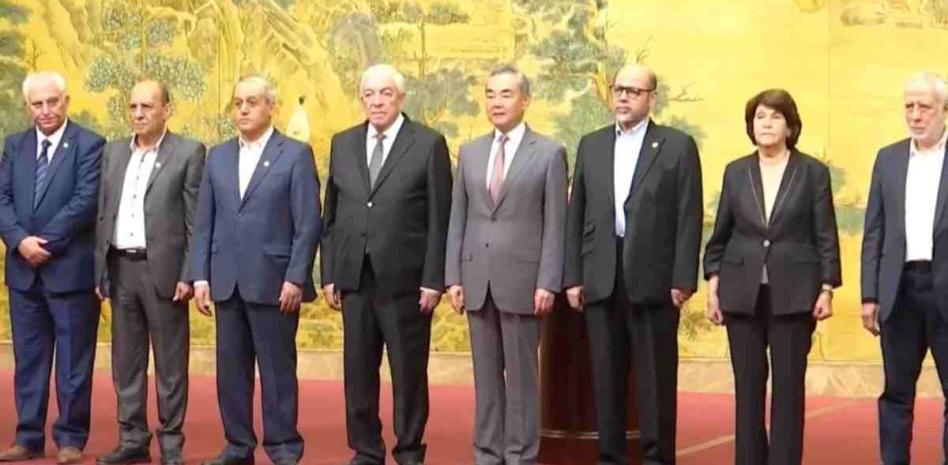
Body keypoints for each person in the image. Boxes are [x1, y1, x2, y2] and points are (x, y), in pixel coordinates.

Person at [563, 63, 703, 465]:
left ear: (651, 98)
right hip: (601, 277)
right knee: (606, 380)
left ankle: (657, 458)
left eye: (633, 91)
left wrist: (683, 278)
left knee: (655, 382)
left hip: (655, 281)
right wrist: (573, 277)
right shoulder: (591, 144)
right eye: (618, 89)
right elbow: (577, 214)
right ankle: (611, 457)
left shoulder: (676, 146)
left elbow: (688, 216)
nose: (623, 97)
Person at [320, 63, 452, 465]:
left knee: (408, 372)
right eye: (369, 94)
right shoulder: (343, 143)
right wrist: (329, 274)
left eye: (385, 94)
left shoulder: (427, 143)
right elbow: (331, 216)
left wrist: (434, 280)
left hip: (407, 282)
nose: (376, 102)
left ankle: (409, 449)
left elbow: (440, 218)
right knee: (358, 371)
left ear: (401, 98)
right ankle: (366, 449)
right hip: (354, 278)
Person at [704, 88, 841, 465]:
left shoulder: (812, 172)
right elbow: (721, 234)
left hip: (794, 294)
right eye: (759, 117)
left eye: (775, 116)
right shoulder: (736, 171)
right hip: (740, 291)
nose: (766, 124)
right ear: (751, 126)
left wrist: (827, 287)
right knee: (747, 389)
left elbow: (825, 234)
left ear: (790, 126)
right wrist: (713, 285)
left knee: (788, 389)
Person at [190, 75, 321, 465]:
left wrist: (296, 276)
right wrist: (200, 276)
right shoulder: (218, 156)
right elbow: (203, 221)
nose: (243, 109)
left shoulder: (295, 154)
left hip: (275, 283)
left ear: (271, 107)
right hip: (226, 281)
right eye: (238, 103)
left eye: (252, 102)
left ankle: (283, 448)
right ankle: (237, 446)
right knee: (231, 372)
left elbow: (308, 223)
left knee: (277, 372)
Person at [444, 65, 567, 465]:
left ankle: (520, 455)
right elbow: (458, 218)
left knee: (521, 380)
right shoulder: (470, 151)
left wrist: (548, 281)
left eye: (506, 94)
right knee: (485, 379)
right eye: (490, 94)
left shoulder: (548, 152)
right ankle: (487, 453)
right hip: (476, 279)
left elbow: (556, 225)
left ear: (525, 100)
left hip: (524, 282)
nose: (496, 102)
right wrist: (453, 276)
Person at [93, 80, 205, 465]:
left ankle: (171, 443)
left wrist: (189, 273)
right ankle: (132, 438)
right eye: (133, 107)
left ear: (166, 110)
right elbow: (103, 213)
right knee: (126, 361)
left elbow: (194, 222)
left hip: (165, 274)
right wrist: (99, 269)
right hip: (120, 268)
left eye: (147, 106)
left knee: (170, 365)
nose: (138, 114)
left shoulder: (188, 152)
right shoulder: (112, 152)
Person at [0, 71, 105, 465]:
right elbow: (1, 199)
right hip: (23, 273)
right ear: (28, 107)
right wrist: (19, 241)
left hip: (70, 272)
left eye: (52, 102)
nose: (45, 110)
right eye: (37, 104)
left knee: (74, 363)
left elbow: (85, 202)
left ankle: (70, 439)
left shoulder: (90, 145)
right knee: (29, 361)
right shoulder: (14, 146)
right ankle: (27, 438)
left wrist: (43, 243)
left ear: (66, 101)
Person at [861, 71, 948, 465]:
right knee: (896, 393)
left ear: (943, 110)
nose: (915, 115)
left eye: (924, 106)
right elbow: (874, 231)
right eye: (909, 106)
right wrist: (869, 294)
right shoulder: (888, 159)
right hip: (899, 290)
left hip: (944, 287)